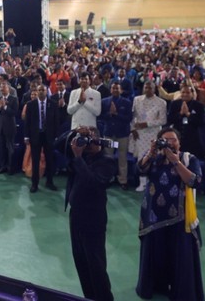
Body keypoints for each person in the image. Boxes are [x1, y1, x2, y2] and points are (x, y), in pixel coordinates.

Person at [136, 128, 204, 301]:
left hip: (179, 217)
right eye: (165, 139)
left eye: (173, 139)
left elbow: (194, 180)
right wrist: (151, 152)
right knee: (155, 252)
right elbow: (141, 169)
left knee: (179, 255)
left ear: (179, 142)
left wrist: (175, 161)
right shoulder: (154, 157)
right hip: (153, 215)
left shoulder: (189, 158)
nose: (169, 143)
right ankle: (155, 286)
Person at [64, 126, 115, 301]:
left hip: (93, 220)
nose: (86, 143)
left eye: (89, 139)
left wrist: (78, 157)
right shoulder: (83, 155)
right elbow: (56, 145)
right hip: (75, 216)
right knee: (81, 263)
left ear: (98, 141)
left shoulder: (107, 161)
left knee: (96, 266)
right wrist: (74, 132)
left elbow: (92, 183)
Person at [131, 81, 167, 191]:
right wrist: (133, 129)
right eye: (145, 87)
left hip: (154, 133)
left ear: (154, 89)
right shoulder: (137, 99)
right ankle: (142, 182)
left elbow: (163, 120)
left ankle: (153, 181)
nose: (147, 89)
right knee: (142, 157)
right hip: (140, 133)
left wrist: (146, 124)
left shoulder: (161, 102)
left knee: (154, 157)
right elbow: (133, 116)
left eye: (150, 88)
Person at [25, 84, 59, 192]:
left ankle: (49, 182)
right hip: (36, 135)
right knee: (35, 160)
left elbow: (56, 121)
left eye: (43, 90)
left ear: (46, 92)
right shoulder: (31, 104)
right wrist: (26, 136)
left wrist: (56, 135)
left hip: (48, 136)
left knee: (50, 160)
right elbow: (27, 122)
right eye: (39, 90)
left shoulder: (53, 104)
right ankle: (35, 184)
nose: (41, 92)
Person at [100, 82, 133, 188]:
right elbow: (100, 117)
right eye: (113, 88)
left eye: (117, 88)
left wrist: (116, 114)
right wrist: (110, 114)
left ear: (121, 90)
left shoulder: (127, 102)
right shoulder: (104, 102)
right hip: (109, 134)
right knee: (108, 157)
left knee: (122, 157)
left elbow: (129, 118)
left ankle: (123, 180)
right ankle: (108, 178)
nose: (115, 90)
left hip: (122, 135)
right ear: (110, 90)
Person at [168, 85, 205, 161]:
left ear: (192, 94)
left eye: (188, 92)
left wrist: (188, 114)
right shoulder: (174, 104)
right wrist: (181, 113)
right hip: (178, 136)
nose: (185, 94)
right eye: (183, 92)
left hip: (193, 137)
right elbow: (170, 119)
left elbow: (201, 122)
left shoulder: (199, 106)